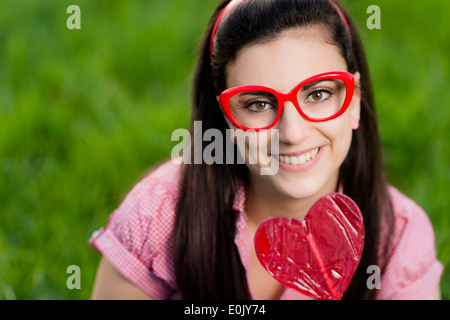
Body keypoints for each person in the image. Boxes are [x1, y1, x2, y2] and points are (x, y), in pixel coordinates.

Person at [89, 0, 443, 300]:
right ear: (226, 116)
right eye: (259, 104)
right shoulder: (160, 212)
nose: (292, 133)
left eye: (318, 94)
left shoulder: (399, 239)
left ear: (353, 101)